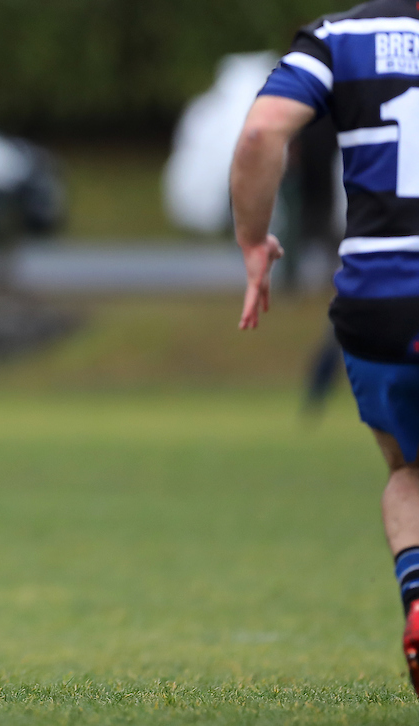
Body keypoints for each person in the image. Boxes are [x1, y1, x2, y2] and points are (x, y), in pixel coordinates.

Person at [231, 0, 419, 696]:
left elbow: (260, 135)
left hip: (379, 300)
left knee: (409, 472)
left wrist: (254, 242)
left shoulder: (340, 38)